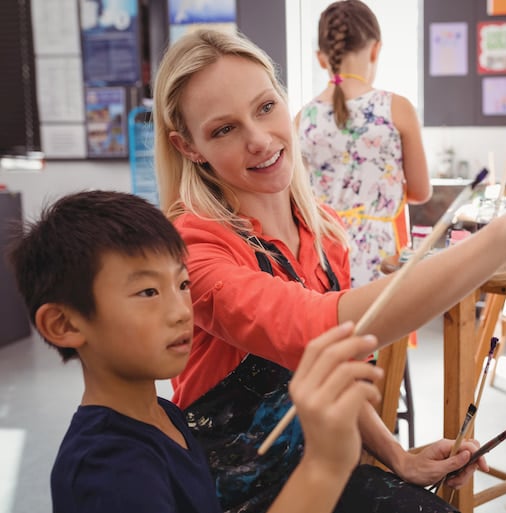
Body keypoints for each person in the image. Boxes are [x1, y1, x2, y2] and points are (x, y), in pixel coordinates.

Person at [152, 29, 506, 513]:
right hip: (237, 496)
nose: (259, 140)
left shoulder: (324, 232)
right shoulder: (194, 244)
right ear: (189, 146)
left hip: (326, 474)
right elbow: (315, 329)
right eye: (224, 129)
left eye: (265, 107)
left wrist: (399, 457)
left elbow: (335, 367)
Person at [8, 190, 387, 513]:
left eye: (183, 284)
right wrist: (324, 465)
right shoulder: (107, 469)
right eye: (147, 292)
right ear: (65, 324)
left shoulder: (165, 416)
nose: (180, 312)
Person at [297, 0, 431, 288]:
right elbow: (420, 191)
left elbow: (296, 199)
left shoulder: (302, 119)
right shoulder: (396, 108)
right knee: (384, 331)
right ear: (375, 49)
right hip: (382, 255)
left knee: (334, 329)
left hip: (323, 255)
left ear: (322, 58)